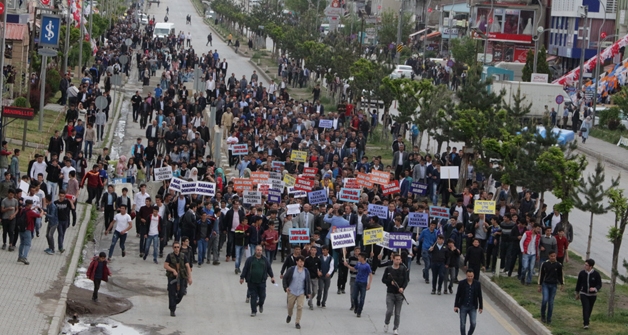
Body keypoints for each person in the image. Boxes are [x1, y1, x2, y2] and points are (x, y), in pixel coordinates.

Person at [240, 245, 276, 317]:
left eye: (260, 250)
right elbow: (245, 269)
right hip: (252, 282)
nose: (259, 251)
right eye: (258, 250)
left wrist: (272, 277)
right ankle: (253, 311)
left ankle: (260, 304)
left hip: (261, 281)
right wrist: (242, 277)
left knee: (262, 296)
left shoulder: (265, 260)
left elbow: (269, 268)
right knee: (253, 296)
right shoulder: (250, 259)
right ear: (255, 251)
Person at [382, 253, 409, 335]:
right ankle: (386, 323)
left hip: (399, 295)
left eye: (399, 259)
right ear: (393, 259)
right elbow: (383, 280)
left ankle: (395, 328)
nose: (398, 261)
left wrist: (402, 288)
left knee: (397, 313)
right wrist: (390, 282)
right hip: (390, 293)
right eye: (396, 259)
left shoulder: (403, 269)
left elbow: (406, 280)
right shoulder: (388, 269)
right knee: (389, 311)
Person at [164, 241, 193, 317]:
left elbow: (187, 266)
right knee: (172, 293)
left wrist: (189, 277)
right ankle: (172, 309)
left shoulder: (183, 256)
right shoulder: (170, 256)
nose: (176, 249)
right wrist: (173, 270)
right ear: (173, 248)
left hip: (182, 276)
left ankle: (174, 302)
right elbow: (165, 265)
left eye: (178, 247)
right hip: (172, 277)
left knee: (182, 292)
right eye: (175, 247)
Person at [282, 255, 311, 329]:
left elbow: (308, 282)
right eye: (300, 261)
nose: (301, 263)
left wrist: (308, 292)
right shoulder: (291, 269)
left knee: (300, 307)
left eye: (303, 262)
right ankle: (289, 314)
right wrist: (286, 287)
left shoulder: (306, 271)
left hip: (301, 292)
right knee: (290, 306)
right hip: (292, 291)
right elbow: (285, 278)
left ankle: (297, 322)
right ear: (297, 262)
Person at [454, 269, 484, 335]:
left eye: (471, 276)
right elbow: (458, 295)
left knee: (473, 323)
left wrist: (481, 307)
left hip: (473, 307)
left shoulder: (477, 284)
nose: (470, 278)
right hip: (463, 306)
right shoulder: (462, 283)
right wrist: (456, 306)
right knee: (462, 324)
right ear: (466, 275)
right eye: (468, 276)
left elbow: (480, 296)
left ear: (473, 276)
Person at [344, 252, 373, 317]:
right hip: (357, 282)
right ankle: (356, 306)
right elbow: (353, 269)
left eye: (359, 257)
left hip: (363, 283)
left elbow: (370, 274)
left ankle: (359, 311)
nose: (358, 258)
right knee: (354, 296)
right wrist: (347, 265)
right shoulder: (358, 264)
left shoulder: (367, 266)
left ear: (363, 258)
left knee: (362, 298)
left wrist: (369, 284)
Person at [575, 258, 602, 329]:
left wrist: (595, 288)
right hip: (584, 294)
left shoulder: (596, 274)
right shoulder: (582, 273)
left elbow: (599, 284)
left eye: (586, 265)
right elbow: (578, 284)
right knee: (586, 307)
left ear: (591, 266)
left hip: (593, 295)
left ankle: (587, 319)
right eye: (585, 264)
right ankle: (586, 323)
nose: (585, 266)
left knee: (589, 309)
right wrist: (577, 293)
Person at [538, 251, 564, 325]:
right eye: (551, 256)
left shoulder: (558, 265)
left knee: (551, 302)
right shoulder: (545, 264)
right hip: (545, 284)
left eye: (554, 256)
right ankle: (543, 315)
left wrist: (562, 284)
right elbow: (541, 275)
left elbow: (560, 275)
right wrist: (539, 285)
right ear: (549, 256)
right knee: (545, 300)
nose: (553, 257)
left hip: (553, 285)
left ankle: (549, 318)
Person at [18, 199, 43, 265]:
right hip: (28, 229)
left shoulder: (22, 210)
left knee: (22, 243)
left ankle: (20, 256)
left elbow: (28, 211)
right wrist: (42, 211)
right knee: (28, 244)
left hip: (21, 229)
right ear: (30, 205)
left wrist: (33, 208)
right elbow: (39, 215)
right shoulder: (30, 212)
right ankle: (24, 257)